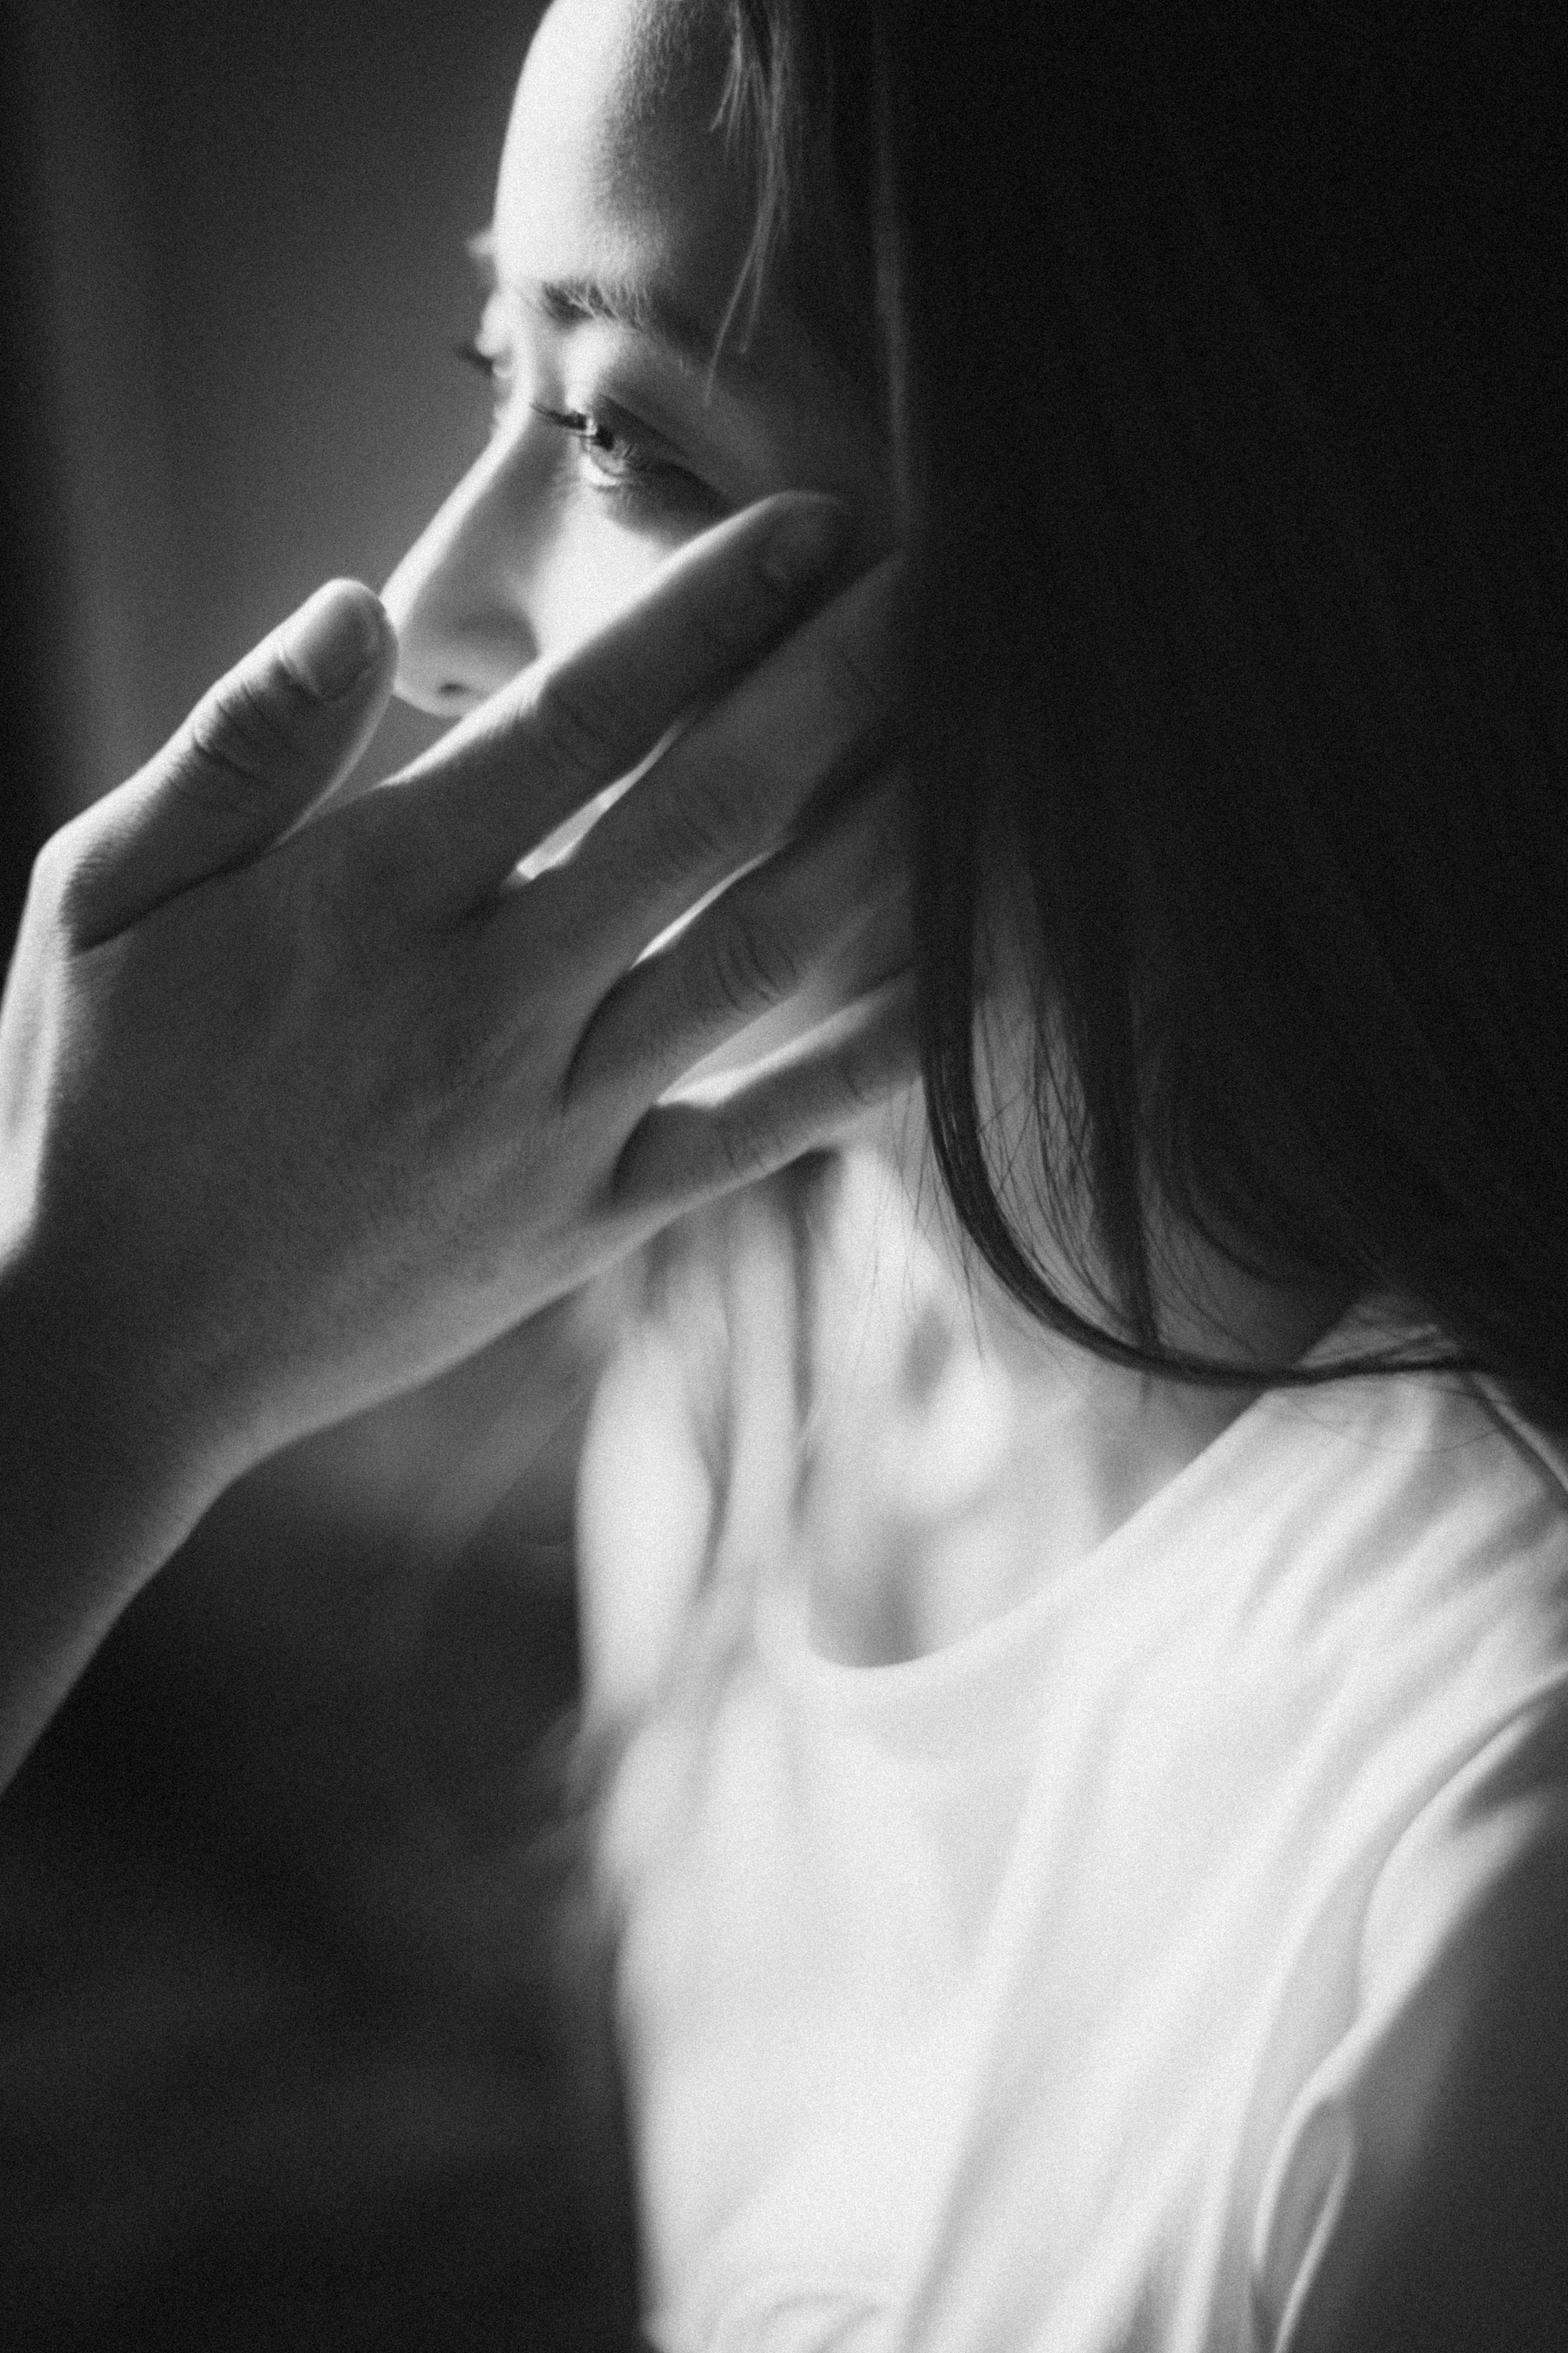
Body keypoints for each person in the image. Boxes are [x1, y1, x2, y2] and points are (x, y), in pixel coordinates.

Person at [3, 0, 1566, 2348]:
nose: (424, 616)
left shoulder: (1487, 1837)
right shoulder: (752, 1373)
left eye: (618, 427)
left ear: (1152, 565)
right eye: (489, 359)